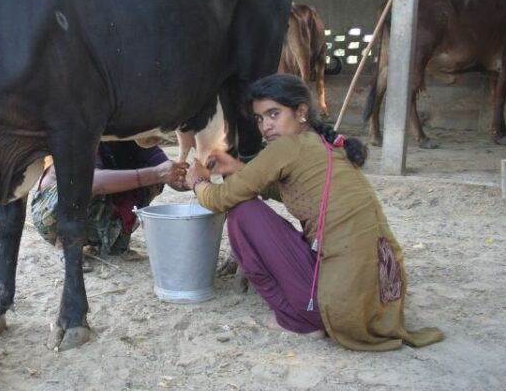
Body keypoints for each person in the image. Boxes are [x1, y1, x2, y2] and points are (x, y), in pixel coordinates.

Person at [185, 74, 443, 351]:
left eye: (274, 114)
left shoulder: (288, 146)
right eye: (260, 119)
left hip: (337, 309)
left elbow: (219, 199)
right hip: (375, 304)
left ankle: (299, 320)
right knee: (253, 205)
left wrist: (198, 181)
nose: (266, 126)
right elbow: (296, 193)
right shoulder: (326, 145)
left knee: (243, 211)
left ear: (301, 111)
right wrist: (238, 168)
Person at [31, 141, 187, 271]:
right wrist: (156, 173)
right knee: (82, 185)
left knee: (153, 179)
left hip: (94, 210)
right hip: (53, 216)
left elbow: (170, 172)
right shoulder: (79, 126)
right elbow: (92, 182)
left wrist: (194, 179)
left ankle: (109, 239)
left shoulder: (134, 136)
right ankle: (66, 244)